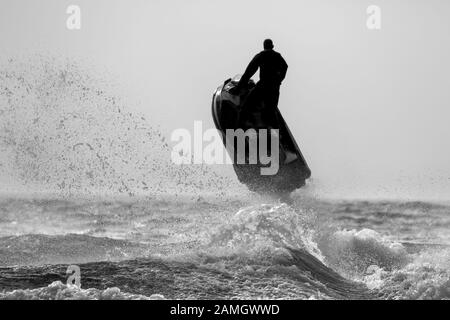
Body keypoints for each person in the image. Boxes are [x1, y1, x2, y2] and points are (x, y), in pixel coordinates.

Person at [233, 39, 288, 128]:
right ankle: (276, 136)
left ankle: (238, 129)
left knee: (245, 107)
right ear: (272, 46)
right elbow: (285, 67)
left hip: (262, 86)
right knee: (271, 113)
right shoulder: (277, 56)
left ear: (264, 46)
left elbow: (249, 72)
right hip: (274, 88)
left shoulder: (261, 56)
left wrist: (238, 88)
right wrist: (279, 80)